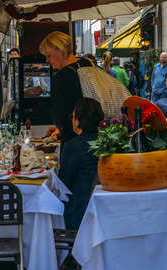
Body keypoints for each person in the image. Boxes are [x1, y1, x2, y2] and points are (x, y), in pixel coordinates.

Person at [39, 31, 96, 144]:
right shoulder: (90, 63)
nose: (47, 60)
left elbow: (59, 117)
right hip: (98, 136)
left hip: (74, 140)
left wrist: (60, 129)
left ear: (61, 51)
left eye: (48, 55)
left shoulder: (61, 77)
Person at [58, 98, 103, 230]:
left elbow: (63, 185)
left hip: (80, 214)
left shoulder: (73, 146)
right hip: (104, 211)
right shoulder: (108, 142)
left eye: (72, 116)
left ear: (77, 121)